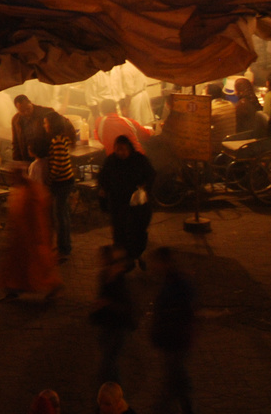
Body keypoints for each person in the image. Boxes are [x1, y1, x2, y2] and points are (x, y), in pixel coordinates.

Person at [0, 164, 61, 301]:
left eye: (13, 175)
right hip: (20, 237)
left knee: (37, 266)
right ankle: (12, 289)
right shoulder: (21, 189)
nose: (11, 179)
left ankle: (52, 285)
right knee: (16, 265)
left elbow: (40, 215)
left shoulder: (33, 190)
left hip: (33, 237)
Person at [149, 247, 198, 414]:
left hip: (176, 340)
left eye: (156, 262)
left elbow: (182, 312)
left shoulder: (177, 283)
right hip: (174, 340)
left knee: (173, 380)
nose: (154, 266)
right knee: (177, 379)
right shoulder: (171, 280)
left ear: (165, 263)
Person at [97, 135, 155, 263]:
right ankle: (122, 257)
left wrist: (144, 186)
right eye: (118, 149)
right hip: (117, 203)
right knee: (119, 230)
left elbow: (150, 175)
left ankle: (135, 253)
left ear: (129, 148)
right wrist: (103, 190)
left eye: (123, 149)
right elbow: (104, 178)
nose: (121, 153)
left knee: (136, 229)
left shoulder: (139, 160)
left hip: (136, 205)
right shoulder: (111, 161)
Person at [91, 245, 135, 386]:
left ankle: (113, 393)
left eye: (102, 257)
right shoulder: (105, 275)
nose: (100, 260)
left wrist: (107, 303)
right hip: (106, 325)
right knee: (109, 363)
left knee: (108, 364)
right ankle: (114, 392)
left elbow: (127, 308)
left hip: (117, 327)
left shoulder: (119, 280)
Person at [42, 111, 78, 260]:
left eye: (45, 123)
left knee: (60, 216)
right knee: (64, 215)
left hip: (61, 182)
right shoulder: (63, 138)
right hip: (67, 180)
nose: (44, 125)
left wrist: (49, 180)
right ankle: (65, 246)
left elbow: (58, 164)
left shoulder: (57, 140)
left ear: (52, 125)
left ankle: (63, 249)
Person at [10, 95, 55, 161]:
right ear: (17, 109)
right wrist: (16, 159)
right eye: (22, 111)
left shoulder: (47, 113)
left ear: (31, 103)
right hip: (25, 157)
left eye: (28, 109)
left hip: (44, 158)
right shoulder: (16, 120)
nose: (26, 112)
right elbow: (15, 142)